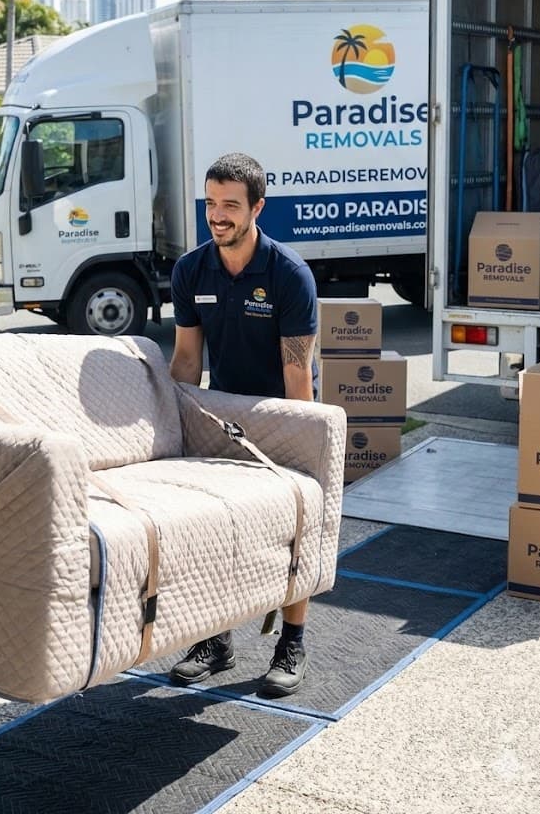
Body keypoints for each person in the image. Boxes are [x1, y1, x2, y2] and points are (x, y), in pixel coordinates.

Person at [168, 152, 318, 698]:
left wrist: (297, 445)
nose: (217, 215)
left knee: (292, 530)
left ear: (257, 206)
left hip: (283, 413)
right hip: (220, 414)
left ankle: (291, 643)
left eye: (230, 205)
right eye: (210, 203)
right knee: (213, 527)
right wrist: (175, 418)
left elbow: (297, 372)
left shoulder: (289, 275)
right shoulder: (191, 270)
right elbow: (186, 360)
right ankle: (215, 640)